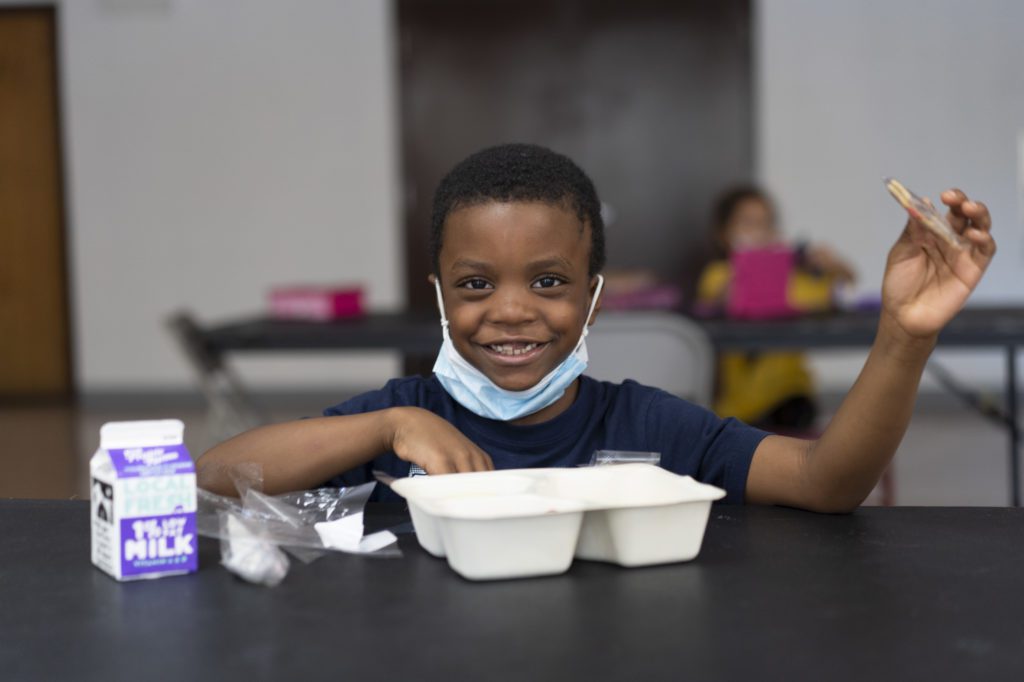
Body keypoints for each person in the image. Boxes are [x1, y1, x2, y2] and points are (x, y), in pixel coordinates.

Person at [197, 143, 995, 513]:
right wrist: (393, 423)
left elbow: (829, 483)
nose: (511, 310)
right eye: (476, 285)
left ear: (595, 296)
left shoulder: (649, 425)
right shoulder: (400, 426)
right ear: (439, 295)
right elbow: (217, 472)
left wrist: (904, 334)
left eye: (548, 282)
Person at [695, 186, 857, 430]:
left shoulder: (790, 278)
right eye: (748, 224)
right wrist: (748, 263)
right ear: (723, 234)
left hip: (790, 394)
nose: (759, 232)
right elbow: (719, 298)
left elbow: (835, 288)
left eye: (766, 224)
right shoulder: (719, 273)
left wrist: (829, 264)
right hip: (741, 403)